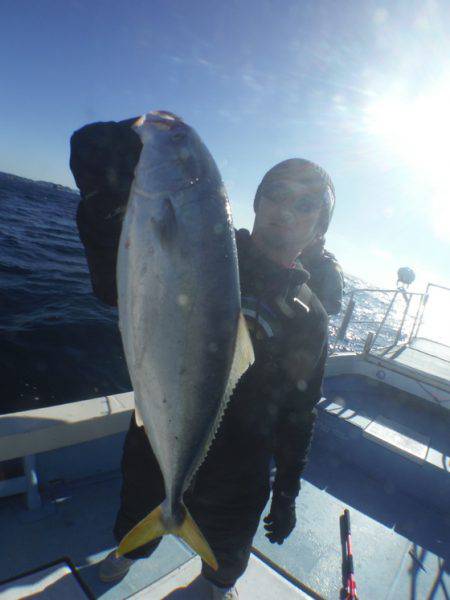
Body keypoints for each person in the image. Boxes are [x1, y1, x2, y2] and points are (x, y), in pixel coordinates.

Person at [70, 117, 333, 600]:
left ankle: (216, 583)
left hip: (243, 467)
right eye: (276, 192)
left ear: (319, 227)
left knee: (228, 556)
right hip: (160, 436)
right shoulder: (201, 243)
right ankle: (131, 550)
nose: (286, 210)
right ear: (255, 201)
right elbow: (116, 280)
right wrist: (126, 153)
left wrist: (288, 491)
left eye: (306, 204)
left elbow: (301, 410)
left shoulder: (310, 316)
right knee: (135, 516)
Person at [299, 236, 344, 315]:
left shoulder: (331, 269)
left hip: (309, 318)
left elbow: (334, 306)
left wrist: (309, 304)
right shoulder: (299, 256)